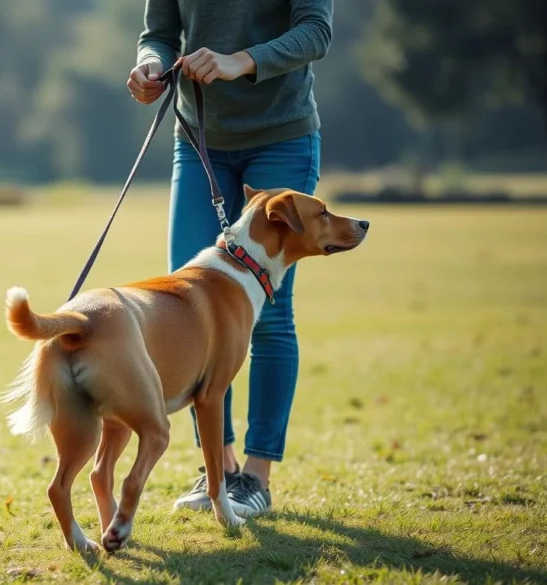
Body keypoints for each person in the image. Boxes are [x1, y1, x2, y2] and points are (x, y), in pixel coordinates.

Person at [127, 0, 333, 518]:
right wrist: (151, 65)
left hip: (281, 134)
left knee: (270, 313)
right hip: (200, 139)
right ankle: (219, 469)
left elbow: (315, 32)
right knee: (185, 306)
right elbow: (159, 33)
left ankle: (257, 479)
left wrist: (240, 60)